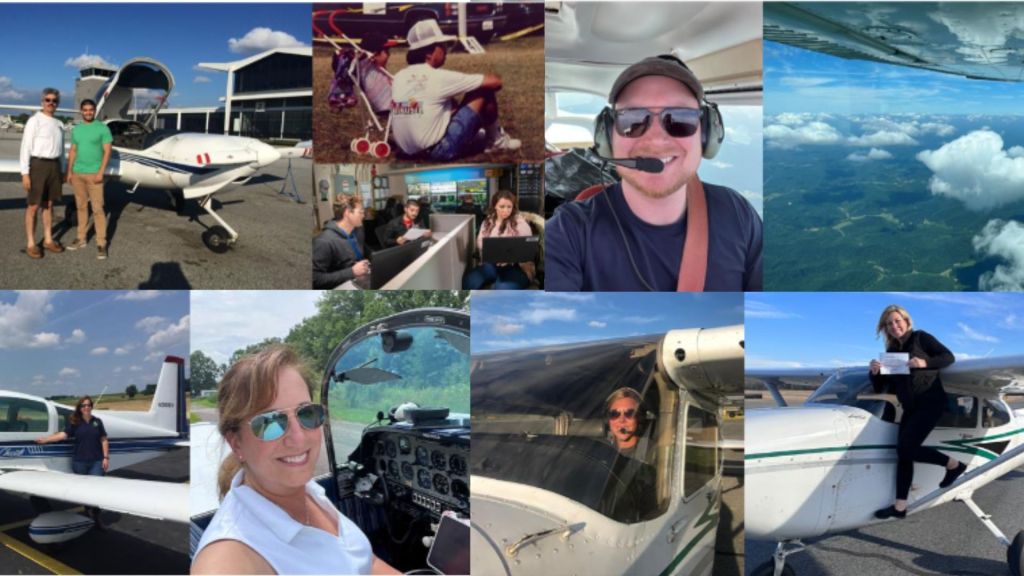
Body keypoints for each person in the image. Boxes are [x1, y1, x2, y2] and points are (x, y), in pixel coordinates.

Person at [545, 55, 762, 291]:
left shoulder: (738, 214)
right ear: (606, 136)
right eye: (633, 119)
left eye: (680, 119)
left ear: (707, 134)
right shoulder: (568, 230)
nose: (657, 140)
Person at [191, 346, 399, 575]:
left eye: (307, 413)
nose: (298, 437)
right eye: (269, 423)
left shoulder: (307, 491)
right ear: (236, 443)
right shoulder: (230, 557)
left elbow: (366, 563)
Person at [869, 305, 967, 520]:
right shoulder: (892, 354)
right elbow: (880, 387)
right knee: (903, 454)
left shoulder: (921, 338)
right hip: (910, 407)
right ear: (885, 328)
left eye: (897, 320)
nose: (894, 326)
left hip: (931, 402)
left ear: (906, 320)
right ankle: (900, 507)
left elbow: (948, 357)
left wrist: (925, 362)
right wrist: (875, 372)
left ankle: (954, 465)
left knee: (907, 448)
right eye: (889, 323)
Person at [390, 19, 521, 161]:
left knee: (445, 101)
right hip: (438, 151)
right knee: (483, 90)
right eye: (442, 45)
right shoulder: (437, 77)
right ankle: (496, 141)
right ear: (429, 53)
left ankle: (480, 136)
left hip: (407, 152)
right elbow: (495, 82)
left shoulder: (399, 77)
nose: (446, 49)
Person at [36, 396, 108, 527]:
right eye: (83, 405)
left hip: (96, 462)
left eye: (88, 405)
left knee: (95, 489)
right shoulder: (75, 423)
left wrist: (105, 457)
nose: (86, 407)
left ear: (91, 407)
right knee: (84, 491)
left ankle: (97, 516)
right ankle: (89, 511)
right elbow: (63, 435)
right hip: (79, 462)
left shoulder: (98, 422)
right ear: (79, 408)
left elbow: (103, 439)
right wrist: (46, 440)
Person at [19, 87, 66, 259]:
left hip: (54, 167)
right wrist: (25, 173)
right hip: (38, 165)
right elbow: (26, 147)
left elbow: (61, 151)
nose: (51, 103)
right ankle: (31, 243)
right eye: (48, 100)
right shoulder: (34, 121)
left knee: (49, 205)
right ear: (42, 101)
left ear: (57, 104)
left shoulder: (59, 124)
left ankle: (48, 239)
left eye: (54, 100)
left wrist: (62, 170)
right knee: (33, 206)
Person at [601, 388, 658, 523]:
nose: (621, 420)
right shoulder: (602, 451)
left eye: (629, 413)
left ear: (639, 418)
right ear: (608, 420)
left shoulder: (654, 452)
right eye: (614, 414)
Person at [66, 99, 113, 260]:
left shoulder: (102, 128)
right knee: (80, 207)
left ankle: (101, 243)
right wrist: (69, 171)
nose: (88, 112)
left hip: (94, 175)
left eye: (90, 110)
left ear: (94, 111)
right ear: (81, 111)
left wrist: (101, 172)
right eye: (85, 110)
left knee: (98, 210)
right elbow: (73, 151)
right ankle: (81, 238)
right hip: (78, 173)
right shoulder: (77, 130)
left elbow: (107, 152)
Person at [462, 190, 534, 289]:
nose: (506, 210)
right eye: (502, 206)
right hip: (491, 264)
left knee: (503, 289)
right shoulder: (488, 222)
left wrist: (510, 259)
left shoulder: (520, 223)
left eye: (509, 207)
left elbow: (527, 248)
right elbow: (480, 242)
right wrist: (493, 254)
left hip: (516, 266)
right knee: (469, 282)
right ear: (495, 206)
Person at [313, 194, 371, 289]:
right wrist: (351, 272)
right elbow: (315, 279)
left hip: (360, 278)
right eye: (360, 212)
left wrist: (375, 258)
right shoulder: (324, 241)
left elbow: (361, 249)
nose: (363, 215)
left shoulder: (358, 230)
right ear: (347, 213)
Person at [357, 33, 393, 115]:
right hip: (389, 106)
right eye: (386, 51)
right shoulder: (367, 64)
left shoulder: (365, 67)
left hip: (387, 104)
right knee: (423, 107)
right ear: (374, 54)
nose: (389, 54)